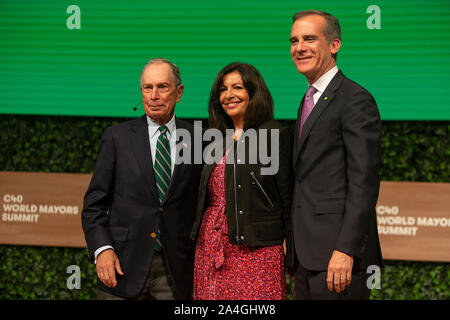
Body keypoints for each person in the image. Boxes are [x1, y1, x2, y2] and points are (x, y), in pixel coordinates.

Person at [81, 58, 202, 299]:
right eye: (148, 88)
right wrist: (102, 250)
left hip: (176, 272)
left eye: (162, 87)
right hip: (122, 268)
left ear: (179, 92)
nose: (154, 95)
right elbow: (93, 206)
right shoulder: (117, 138)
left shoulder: (199, 138)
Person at [289, 10, 383, 299]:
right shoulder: (307, 100)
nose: (299, 47)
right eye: (293, 41)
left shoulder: (355, 99)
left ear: (334, 45)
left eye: (309, 39)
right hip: (307, 260)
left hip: (339, 260)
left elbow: (363, 181)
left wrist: (345, 249)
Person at [190, 62, 293, 300]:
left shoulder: (274, 134)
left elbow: (288, 198)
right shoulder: (215, 139)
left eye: (237, 87)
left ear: (254, 92)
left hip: (258, 250)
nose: (229, 95)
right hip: (211, 248)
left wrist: (292, 250)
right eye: (223, 90)